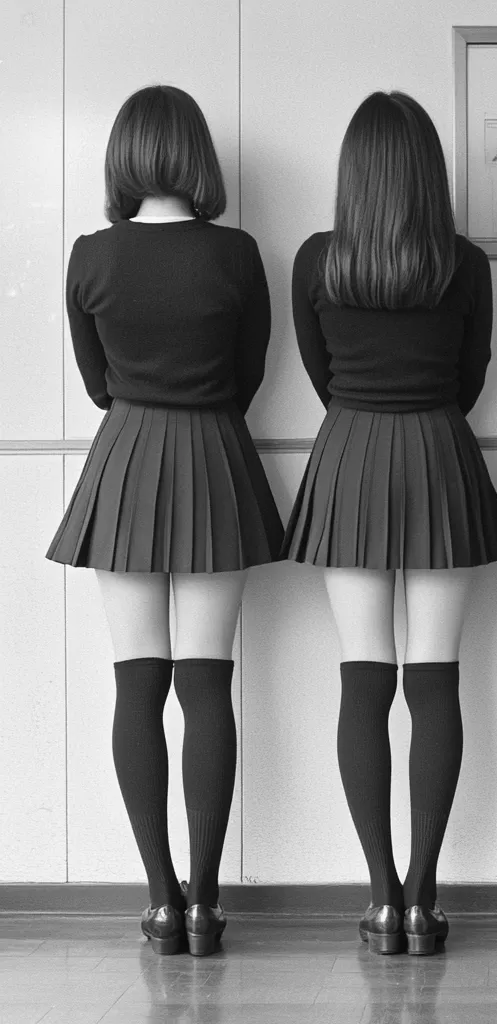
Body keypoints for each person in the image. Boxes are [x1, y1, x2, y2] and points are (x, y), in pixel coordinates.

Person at [48, 85, 283, 956]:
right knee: (206, 682)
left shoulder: (91, 256)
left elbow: (97, 383)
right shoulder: (236, 253)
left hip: (127, 461)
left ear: (123, 157)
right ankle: (208, 900)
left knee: (137, 683)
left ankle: (159, 898)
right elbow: (250, 369)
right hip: (216, 458)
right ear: (198, 159)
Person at [284, 91, 497, 955]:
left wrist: (361, 414)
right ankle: (424, 897)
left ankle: (380, 898)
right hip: (440, 458)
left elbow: (319, 369)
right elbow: (472, 373)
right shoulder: (465, 262)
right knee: (435, 680)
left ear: (353, 171)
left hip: (347, 460)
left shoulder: (318, 260)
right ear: (430, 171)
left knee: (362, 680)